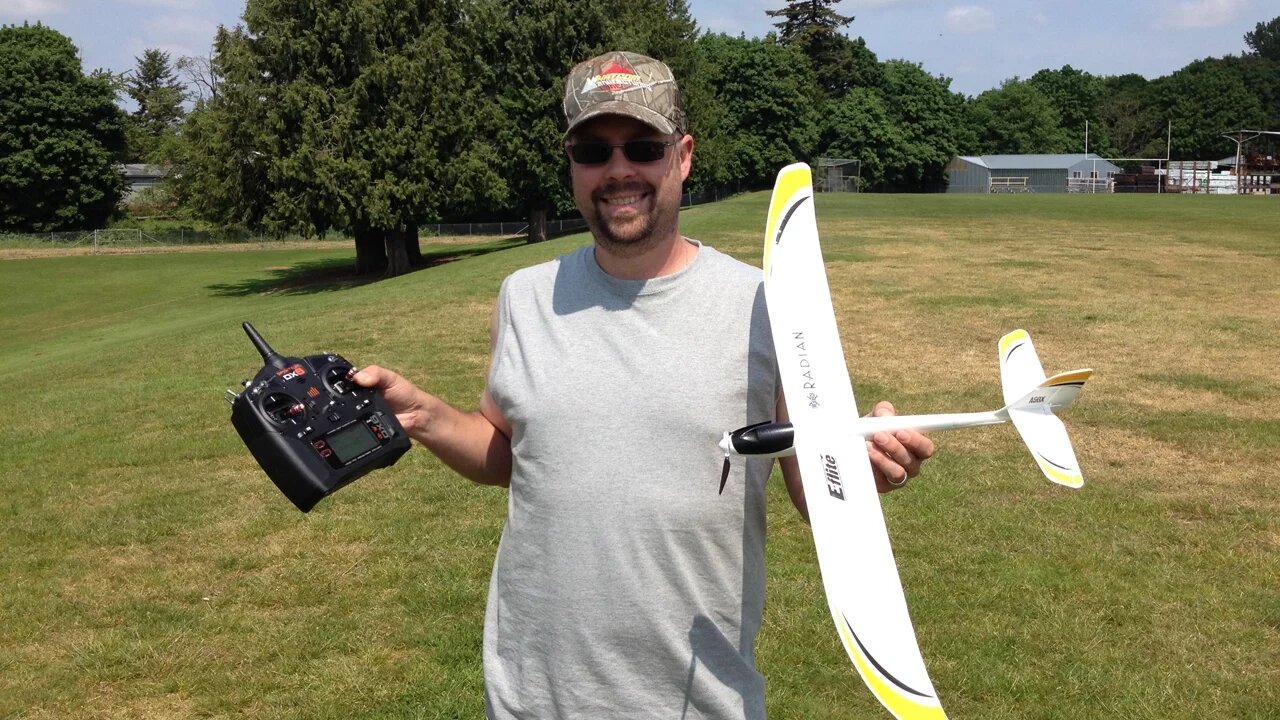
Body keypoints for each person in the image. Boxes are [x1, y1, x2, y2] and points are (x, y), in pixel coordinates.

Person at [354, 51, 934, 720]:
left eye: (644, 146)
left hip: (697, 701)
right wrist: (424, 415)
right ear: (572, 164)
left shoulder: (766, 304)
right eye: (594, 150)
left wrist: (865, 464)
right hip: (530, 699)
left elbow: (816, 491)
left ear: (682, 156)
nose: (619, 169)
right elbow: (509, 452)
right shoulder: (525, 297)